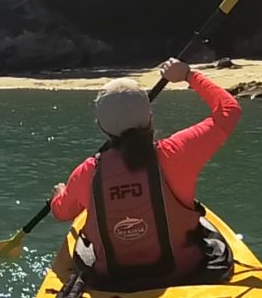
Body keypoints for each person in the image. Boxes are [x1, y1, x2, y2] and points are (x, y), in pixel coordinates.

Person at [49, 58, 240, 292]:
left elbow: (61, 212)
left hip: (114, 281)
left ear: (101, 126)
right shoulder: (177, 152)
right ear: (149, 117)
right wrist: (189, 75)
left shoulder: (86, 172)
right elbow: (229, 111)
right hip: (184, 272)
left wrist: (59, 195)